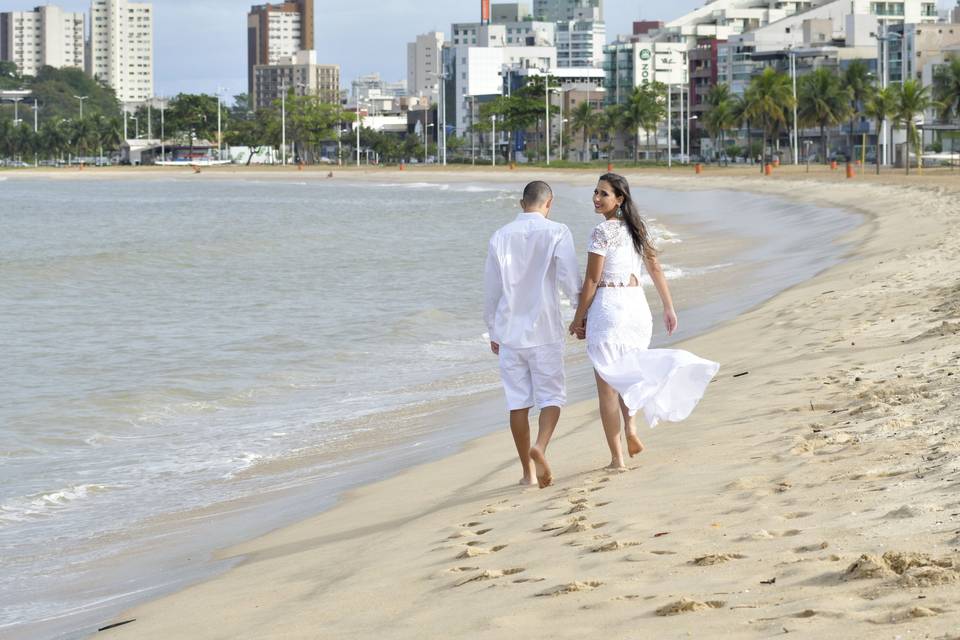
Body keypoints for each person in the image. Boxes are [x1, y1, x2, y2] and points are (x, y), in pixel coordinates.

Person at [568, 173, 719, 470]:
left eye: (603, 194)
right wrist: (668, 307)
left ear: (619, 199)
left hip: (610, 309)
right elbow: (656, 269)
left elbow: (592, 279)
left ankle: (617, 459)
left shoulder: (602, 232)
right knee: (629, 372)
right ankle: (632, 429)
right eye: (595, 192)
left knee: (607, 387)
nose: (596, 199)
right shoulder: (638, 229)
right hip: (637, 310)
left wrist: (577, 319)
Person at [484, 181, 582, 488]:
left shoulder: (500, 236)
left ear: (521, 203)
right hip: (545, 329)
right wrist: (582, 315)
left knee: (518, 402)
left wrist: (493, 330)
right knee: (552, 396)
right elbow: (568, 278)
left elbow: (492, 291)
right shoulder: (557, 231)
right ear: (549, 202)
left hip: (510, 332)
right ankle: (540, 445)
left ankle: (527, 473)